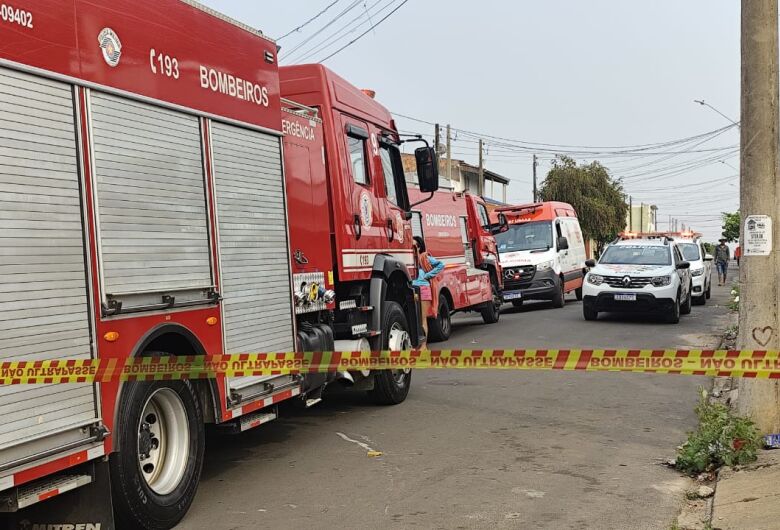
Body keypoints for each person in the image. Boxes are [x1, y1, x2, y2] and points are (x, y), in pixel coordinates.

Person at [412, 236, 444, 349]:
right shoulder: (410, 259)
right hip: (413, 289)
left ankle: (424, 346)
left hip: (424, 288)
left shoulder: (425, 257)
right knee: (414, 318)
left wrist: (427, 275)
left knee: (422, 318)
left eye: (414, 245)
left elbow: (441, 265)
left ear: (419, 247)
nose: (411, 248)